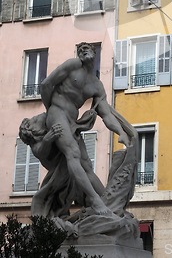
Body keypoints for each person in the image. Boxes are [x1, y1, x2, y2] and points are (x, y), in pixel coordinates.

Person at [40, 42, 134, 215]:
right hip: (57, 114)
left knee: (86, 166)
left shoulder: (96, 85)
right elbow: (46, 84)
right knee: (73, 154)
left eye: (87, 48)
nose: (83, 50)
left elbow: (106, 115)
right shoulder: (72, 65)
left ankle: (108, 202)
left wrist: (121, 133)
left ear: (95, 52)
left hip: (71, 121)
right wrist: (50, 111)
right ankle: (97, 203)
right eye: (80, 48)